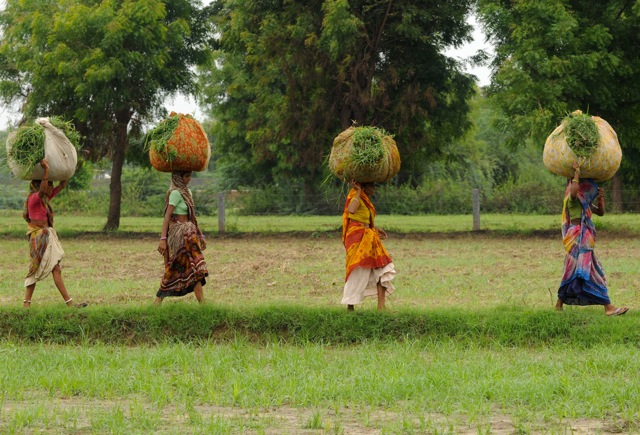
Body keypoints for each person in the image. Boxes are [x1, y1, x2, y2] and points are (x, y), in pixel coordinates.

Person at [555, 162, 628, 316]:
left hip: (585, 239)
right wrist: (576, 173)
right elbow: (574, 192)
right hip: (576, 238)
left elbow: (600, 212)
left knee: (573, 269)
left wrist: (601, 200)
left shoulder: (585, 203)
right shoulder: (572, 199)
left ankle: (559, 304)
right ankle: (608, 307)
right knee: (587, 270)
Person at [22, 159, 87, 308]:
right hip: (38, 237)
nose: (51, 188)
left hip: (47, 235)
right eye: (48, 184)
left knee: (56, 269)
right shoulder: (33, 199)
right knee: (35, 269)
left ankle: (70, 304)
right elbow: (43, 190)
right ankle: (26, 304)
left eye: (51, 184)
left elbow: (61, 185)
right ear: (39, 186)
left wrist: (67, 168)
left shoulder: (44, 199)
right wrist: (46, 171)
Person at [341, 181, 396, 311]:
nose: (374, 189)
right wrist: (358, 191)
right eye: (372, 186)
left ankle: (381, 307)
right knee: (358, 270)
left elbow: (364, 221)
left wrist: (375, 229)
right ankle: (350, 307)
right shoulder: (355, 196)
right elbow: (352, 210)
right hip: (357, 238)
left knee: (382, 268)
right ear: (364, 187)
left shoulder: (366, 200)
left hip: (369, 236)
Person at [155, 170, 208, 304]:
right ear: (178, 177)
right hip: (180, 236)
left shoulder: (187, 192)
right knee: (185, 267)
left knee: (194, 269)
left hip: (190, 235)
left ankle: (203, 303)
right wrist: (163, 239)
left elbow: (192, 217)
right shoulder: (175, 193)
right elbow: (167, 217)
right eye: (186, 176)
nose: (189, 179)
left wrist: (200, 235)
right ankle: (158, 302)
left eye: (190, 175)